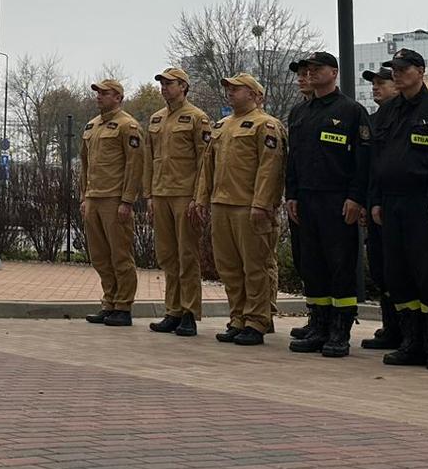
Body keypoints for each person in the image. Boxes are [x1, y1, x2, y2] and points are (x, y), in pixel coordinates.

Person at [283, 50, 370, 358]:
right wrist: (290, 195)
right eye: (307, 69)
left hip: (337, 199)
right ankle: (318, 325)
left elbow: (362, 161)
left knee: (340, 264)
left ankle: (340, 330)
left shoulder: (351, 111)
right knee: (312, 264)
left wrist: (355, 198)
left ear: (333, 72)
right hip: (306, 198)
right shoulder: (299, 113)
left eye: (317, 68)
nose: (310, 73)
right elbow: (293, 159)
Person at [369, 49, 428, 370]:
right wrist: (375, 200)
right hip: (392, 202)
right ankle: (410, 342)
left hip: (423, 201)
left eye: (403, 69)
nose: (397, 74)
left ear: (420, 70)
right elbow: (378, 160)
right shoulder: (389, 111)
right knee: (398, 273)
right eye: (394, 69)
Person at [192, 73, 286, 345]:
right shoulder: (222, 126)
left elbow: (271, 169)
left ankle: (257, 321)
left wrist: (262, 203)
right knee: (229, 267)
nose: (231, 92)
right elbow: (206, 168)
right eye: (229, 89)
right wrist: (201, 199)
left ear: (256, 95)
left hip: (250, 207)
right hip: (222, 205)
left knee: (255, 266)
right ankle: (238, 318)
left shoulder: (266, 125)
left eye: (237, 88)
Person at [142, 68, 209, 337]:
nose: (164, 88)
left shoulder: (197, 118)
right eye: (162, 84)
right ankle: (173, 310)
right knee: (168, 256)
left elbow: (205, 162)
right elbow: (149, 160)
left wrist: (199, 197)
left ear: (183, 86)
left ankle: (189, 313)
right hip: (161, 194)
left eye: (169, 84)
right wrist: (148, 195)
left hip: (185, 195)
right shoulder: (156, 119)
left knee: (187, 255)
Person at [79, 79, 144, 327]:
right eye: (98, 93)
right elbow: (84, 165)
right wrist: (84, 196)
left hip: (115, 200)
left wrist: (127, 200)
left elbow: (134, 165)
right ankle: (109, 302)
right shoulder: (92, 126)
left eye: (105, 93)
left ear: (118, 97)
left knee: (120, 255)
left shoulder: (128, 126)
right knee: (99, 256)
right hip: (94, 198)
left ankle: (123, 306)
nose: (99, 97)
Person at [355, 63, 400, 351]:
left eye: (382, 82)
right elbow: (368, 168)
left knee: (409, 272)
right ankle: (392, 327)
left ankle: (418, 334)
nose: (376, 87)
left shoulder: (419, 115)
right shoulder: (373, 120)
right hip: (377, 204)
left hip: (405, 205)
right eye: (374, 83)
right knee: (382, 271)